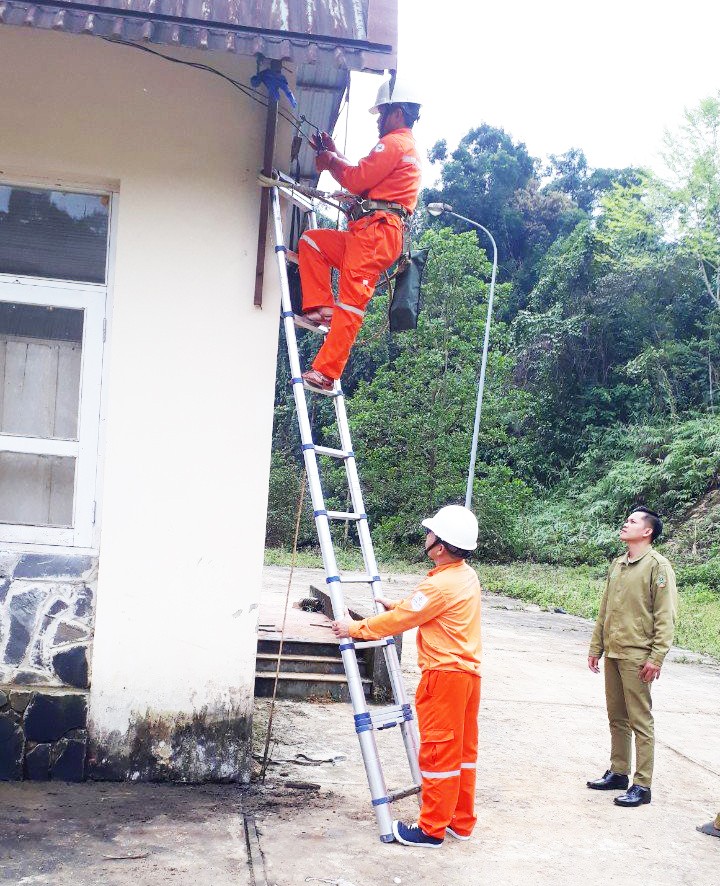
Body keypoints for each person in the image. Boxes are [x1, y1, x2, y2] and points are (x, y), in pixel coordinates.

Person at [331, 505, 482, 848]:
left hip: (444, 678)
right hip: (468, 677)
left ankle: (431, 829)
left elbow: (404, 620)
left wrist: (355, 628)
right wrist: (399, 604)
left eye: (431, 534)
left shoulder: (439, 586)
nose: (426, 537)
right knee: (461, 752)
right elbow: (422, 607)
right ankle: (460, 821)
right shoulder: (465, 576)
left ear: (440, 546)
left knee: (437, 753)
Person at [297, 76, 422, 393]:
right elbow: (366, 181)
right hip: (365, 233)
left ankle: (326, 373)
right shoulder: (399, 147)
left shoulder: (394, 142)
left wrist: (330, 162)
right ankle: (320, 309)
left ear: (396, 113)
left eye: (382, 113)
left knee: (351, 304)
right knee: (312, 243)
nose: (379, 119)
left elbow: (357, 179)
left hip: (376, 235)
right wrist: (336, 156)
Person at [586, 506, 677, 807]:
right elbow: (605, 610)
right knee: (617, 717)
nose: (626, 524)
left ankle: (642, 785)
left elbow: (666, 616)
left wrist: (657, 656)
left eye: (633, 521)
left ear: (647, 531)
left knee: (640, 720)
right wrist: (596, 647)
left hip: (638, 654)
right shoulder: (619, 564)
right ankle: (618, 772)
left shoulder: (657, 567)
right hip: (613, 650)